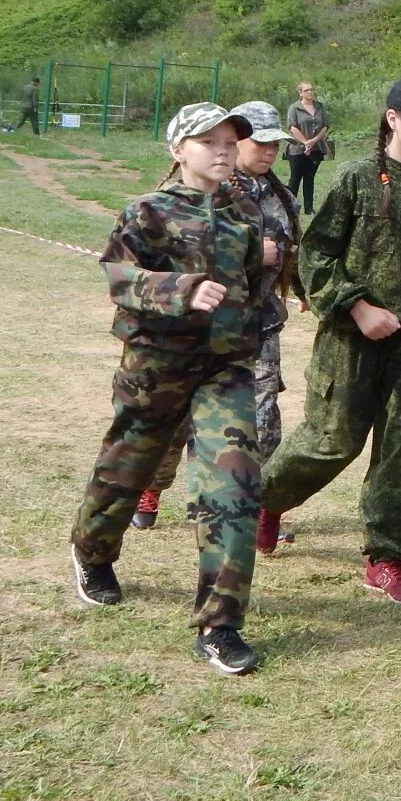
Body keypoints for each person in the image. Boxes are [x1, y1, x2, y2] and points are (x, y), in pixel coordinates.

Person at [254, 76, 401, 606]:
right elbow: (315, 256)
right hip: (349, 336)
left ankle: (388, 558)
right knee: (333, 440)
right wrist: (358, 306)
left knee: (400, 446)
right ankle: (261, 501)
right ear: (392, 119)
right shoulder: (355, 178)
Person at [70, 102, 270, 674]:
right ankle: (93, 552)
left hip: (223, 367)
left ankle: (220, 624)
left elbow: (254, 283)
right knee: (127, 467)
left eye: (230, 140)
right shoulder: (147, 211)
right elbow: (119, 276)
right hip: (156, 366)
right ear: (179, 150)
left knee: (234, 481)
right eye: (209, 141)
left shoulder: (244, 211)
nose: (224, 149)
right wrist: (183, 289)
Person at [133, 101, 300, 541]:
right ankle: (151, 488)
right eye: (259, 142)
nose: (268, 151)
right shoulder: (215, 194)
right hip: (199, 329)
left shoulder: (283, 197)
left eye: (275, 145)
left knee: (259, 426)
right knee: (176, 423)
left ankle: (236, 506)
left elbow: (293, 252)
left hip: (258, 327)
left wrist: (298, 287)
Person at [284, 82, 330, 214]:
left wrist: (313, 141)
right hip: (297, 149)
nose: (310, 92)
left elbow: (325, 126)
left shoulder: (320, 107)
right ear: (300, 93)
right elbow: (292, 127)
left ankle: (309, 208)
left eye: (311, 89)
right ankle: (289, 207)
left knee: (309, 178)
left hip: (316, 148)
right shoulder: (294, 108)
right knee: (295, 178)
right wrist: (305, 143)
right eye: (306, 90)